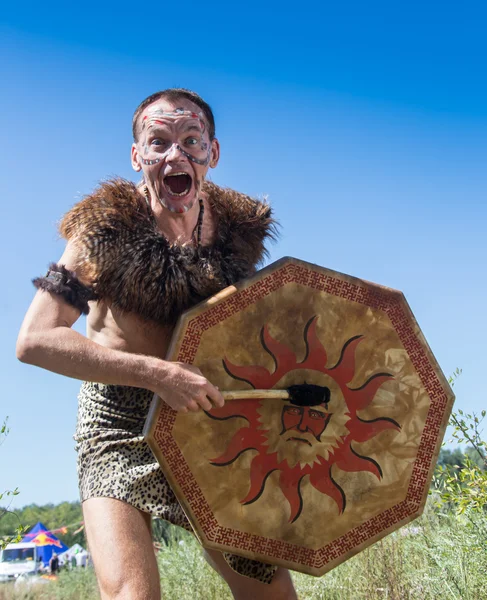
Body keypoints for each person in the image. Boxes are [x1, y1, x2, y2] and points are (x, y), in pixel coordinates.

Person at [17, 88, 297, 600]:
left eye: (191, 141)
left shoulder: (237, 233)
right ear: (136, 156)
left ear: (212, 153)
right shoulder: (103, 231)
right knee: (132, 596)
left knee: (270, 590)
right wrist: (156, 374)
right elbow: (35, 340)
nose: (176, 156)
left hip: (207, 419)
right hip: (116, 421)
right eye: (158, 142)